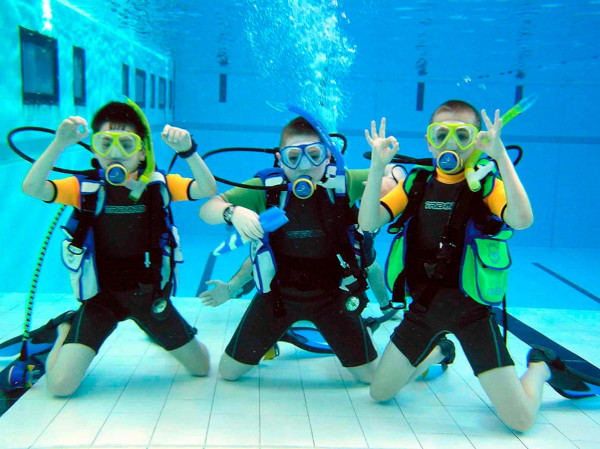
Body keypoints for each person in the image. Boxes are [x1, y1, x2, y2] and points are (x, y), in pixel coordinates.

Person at [358, 100, 581, 432]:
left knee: (520, 421)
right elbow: (368, 222)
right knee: (379, 393)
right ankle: (439, 352)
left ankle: (540, 365)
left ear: (477, 140)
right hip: (423, 310)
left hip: (472, 313)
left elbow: (522, 220)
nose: (451, 144)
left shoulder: (486, 185)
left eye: (463, 135)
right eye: (441, 134)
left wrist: (500, 155)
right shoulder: (416, 183)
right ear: (430, 141)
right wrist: (377, 167)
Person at [21, 101, 217, 396]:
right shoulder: (85, 189)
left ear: (142, 152)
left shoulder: (157, 186)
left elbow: (206, 189)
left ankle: (155, 331)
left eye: (126, 144)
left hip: (148, 295)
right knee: (60, 386)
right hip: (102, 299)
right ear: (95, 150)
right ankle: (65, 328)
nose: (115, 153)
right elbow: (33, 188)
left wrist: (188, 152)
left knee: (201, 367)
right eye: (105, 143)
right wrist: (59, 143)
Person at [199, 114, 397, 383]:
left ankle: (354, 329)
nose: (305, 166)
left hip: (332, 296)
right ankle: (281, 331)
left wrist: (382, 168)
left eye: (314, 155)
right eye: (294, 157)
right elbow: (207, 209)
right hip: (277, 297)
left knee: (369, 377)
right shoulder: (267, 189)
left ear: (329, 156)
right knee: (228, 373)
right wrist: (231, 212)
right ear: (280, 160)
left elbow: (394, 178)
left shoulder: (342, 183)